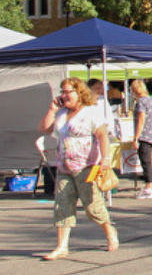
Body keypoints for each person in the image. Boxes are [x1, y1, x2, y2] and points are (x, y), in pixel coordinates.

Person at [38, 77, 118, 260]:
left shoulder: (91, 112)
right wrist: (52, 110)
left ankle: (109, 231)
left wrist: (105, 158)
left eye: (68, 92)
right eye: (63, 92)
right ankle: (62, 246)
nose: (64, 96)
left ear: (79, 93)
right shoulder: (61, 113)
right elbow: (43, 128)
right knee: (62, 205)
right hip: (64, 167)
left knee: (92, 206)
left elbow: (103, 136)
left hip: (86, 167)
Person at [130, 79, 152, 199]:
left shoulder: (140, 102)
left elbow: (141, 119)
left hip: (144, 135)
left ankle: (148, 187)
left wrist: (136, 137)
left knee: (146, 161)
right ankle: (149, 186)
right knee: (148, 160)